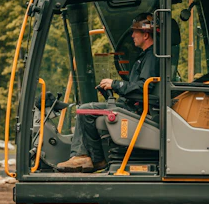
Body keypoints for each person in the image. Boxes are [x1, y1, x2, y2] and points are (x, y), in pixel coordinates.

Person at [56, 13, 160, 173]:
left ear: (146, 35)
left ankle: (84, 156)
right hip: (134, 106)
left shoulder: (151, 57)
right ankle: (95, 159)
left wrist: (115, 84)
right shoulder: (146, 56)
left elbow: (142, 88)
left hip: (138, 110)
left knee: (85, 110)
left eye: (135, 32)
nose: (132, 35)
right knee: (88, 109)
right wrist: (114, 88)